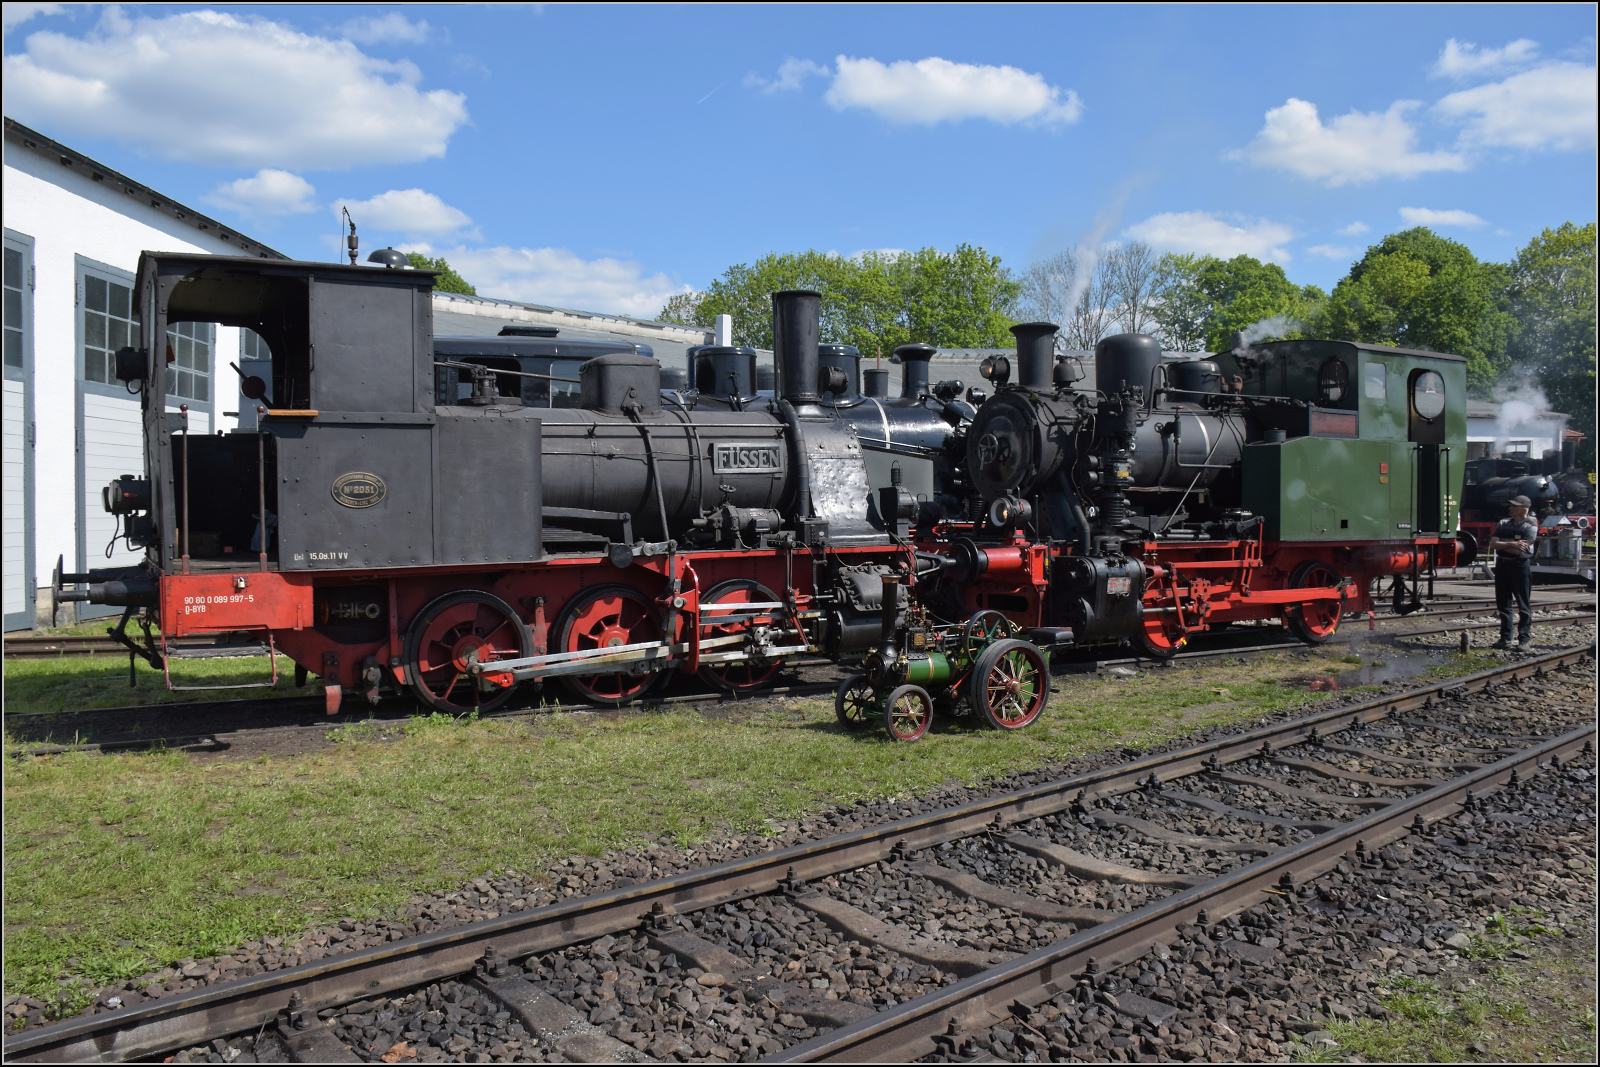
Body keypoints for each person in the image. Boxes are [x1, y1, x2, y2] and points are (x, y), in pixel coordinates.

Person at [1488, 495, 1539, 652]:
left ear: (1524, 509)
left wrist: (1503, 545)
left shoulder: (1530, 525)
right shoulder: (1504, 523)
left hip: (1520, 566)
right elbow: (1492, 544)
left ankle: (1524, 639)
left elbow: (1520, 550)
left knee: (1523, 604)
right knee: (1504, 603)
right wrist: (1511, 544)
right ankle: (1505, 638)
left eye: (1514, 506)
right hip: (1503, 565)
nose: (1510, 509)